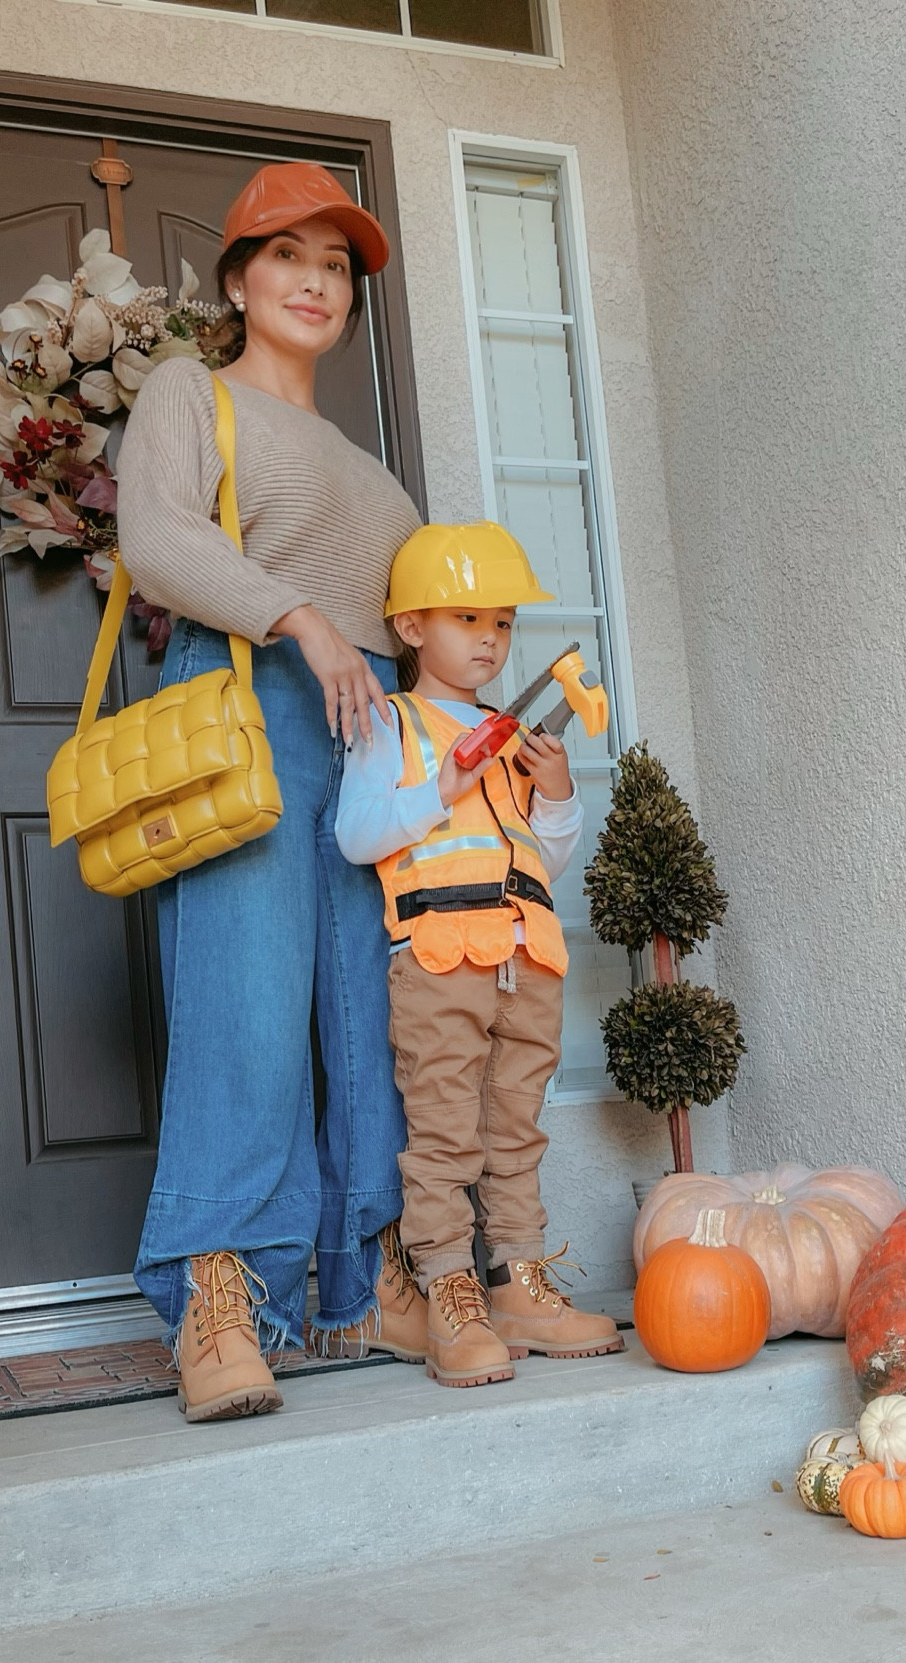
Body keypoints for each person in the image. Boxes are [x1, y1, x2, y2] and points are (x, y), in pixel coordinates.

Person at [115, 162, 427, 1423]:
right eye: (287, 256)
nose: (315, 282)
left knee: (376, 1012)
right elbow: (156, 537)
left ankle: (369, 1279)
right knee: (244, 1004)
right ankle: (219, 1299)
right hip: (249, 702)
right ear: (238, 281)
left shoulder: (372, 470)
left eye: (335, 266)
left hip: (375, 738)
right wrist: (302, 617)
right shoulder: (192, 394)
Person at [335, 523, 625, 1387]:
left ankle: (517, 1283)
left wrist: (557, 793)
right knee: (443, 1133)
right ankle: (449, 1294)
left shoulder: (511, 734)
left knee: (515, 1131)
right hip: (438, 959)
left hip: (526, 961)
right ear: (411, 627)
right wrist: (440, 789)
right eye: (466, 619)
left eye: (500, 622)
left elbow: (542, 857)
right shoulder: (391, 722)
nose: (489, 639)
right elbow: (356, 834)